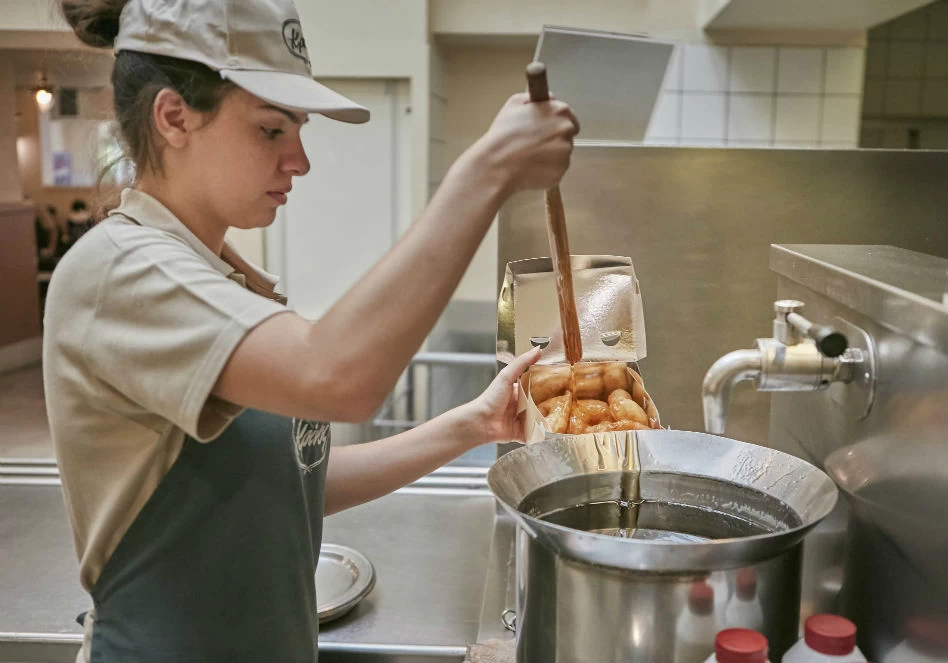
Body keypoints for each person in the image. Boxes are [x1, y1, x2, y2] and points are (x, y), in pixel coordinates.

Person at [44, 0, 578, 662]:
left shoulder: (224, 278)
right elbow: (338, 377)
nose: (299, 159)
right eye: (272, 130)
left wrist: (470, 425)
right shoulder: (117, 272)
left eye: (297, 129)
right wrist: (488, 170)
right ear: (174, 118)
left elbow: (291, 486)